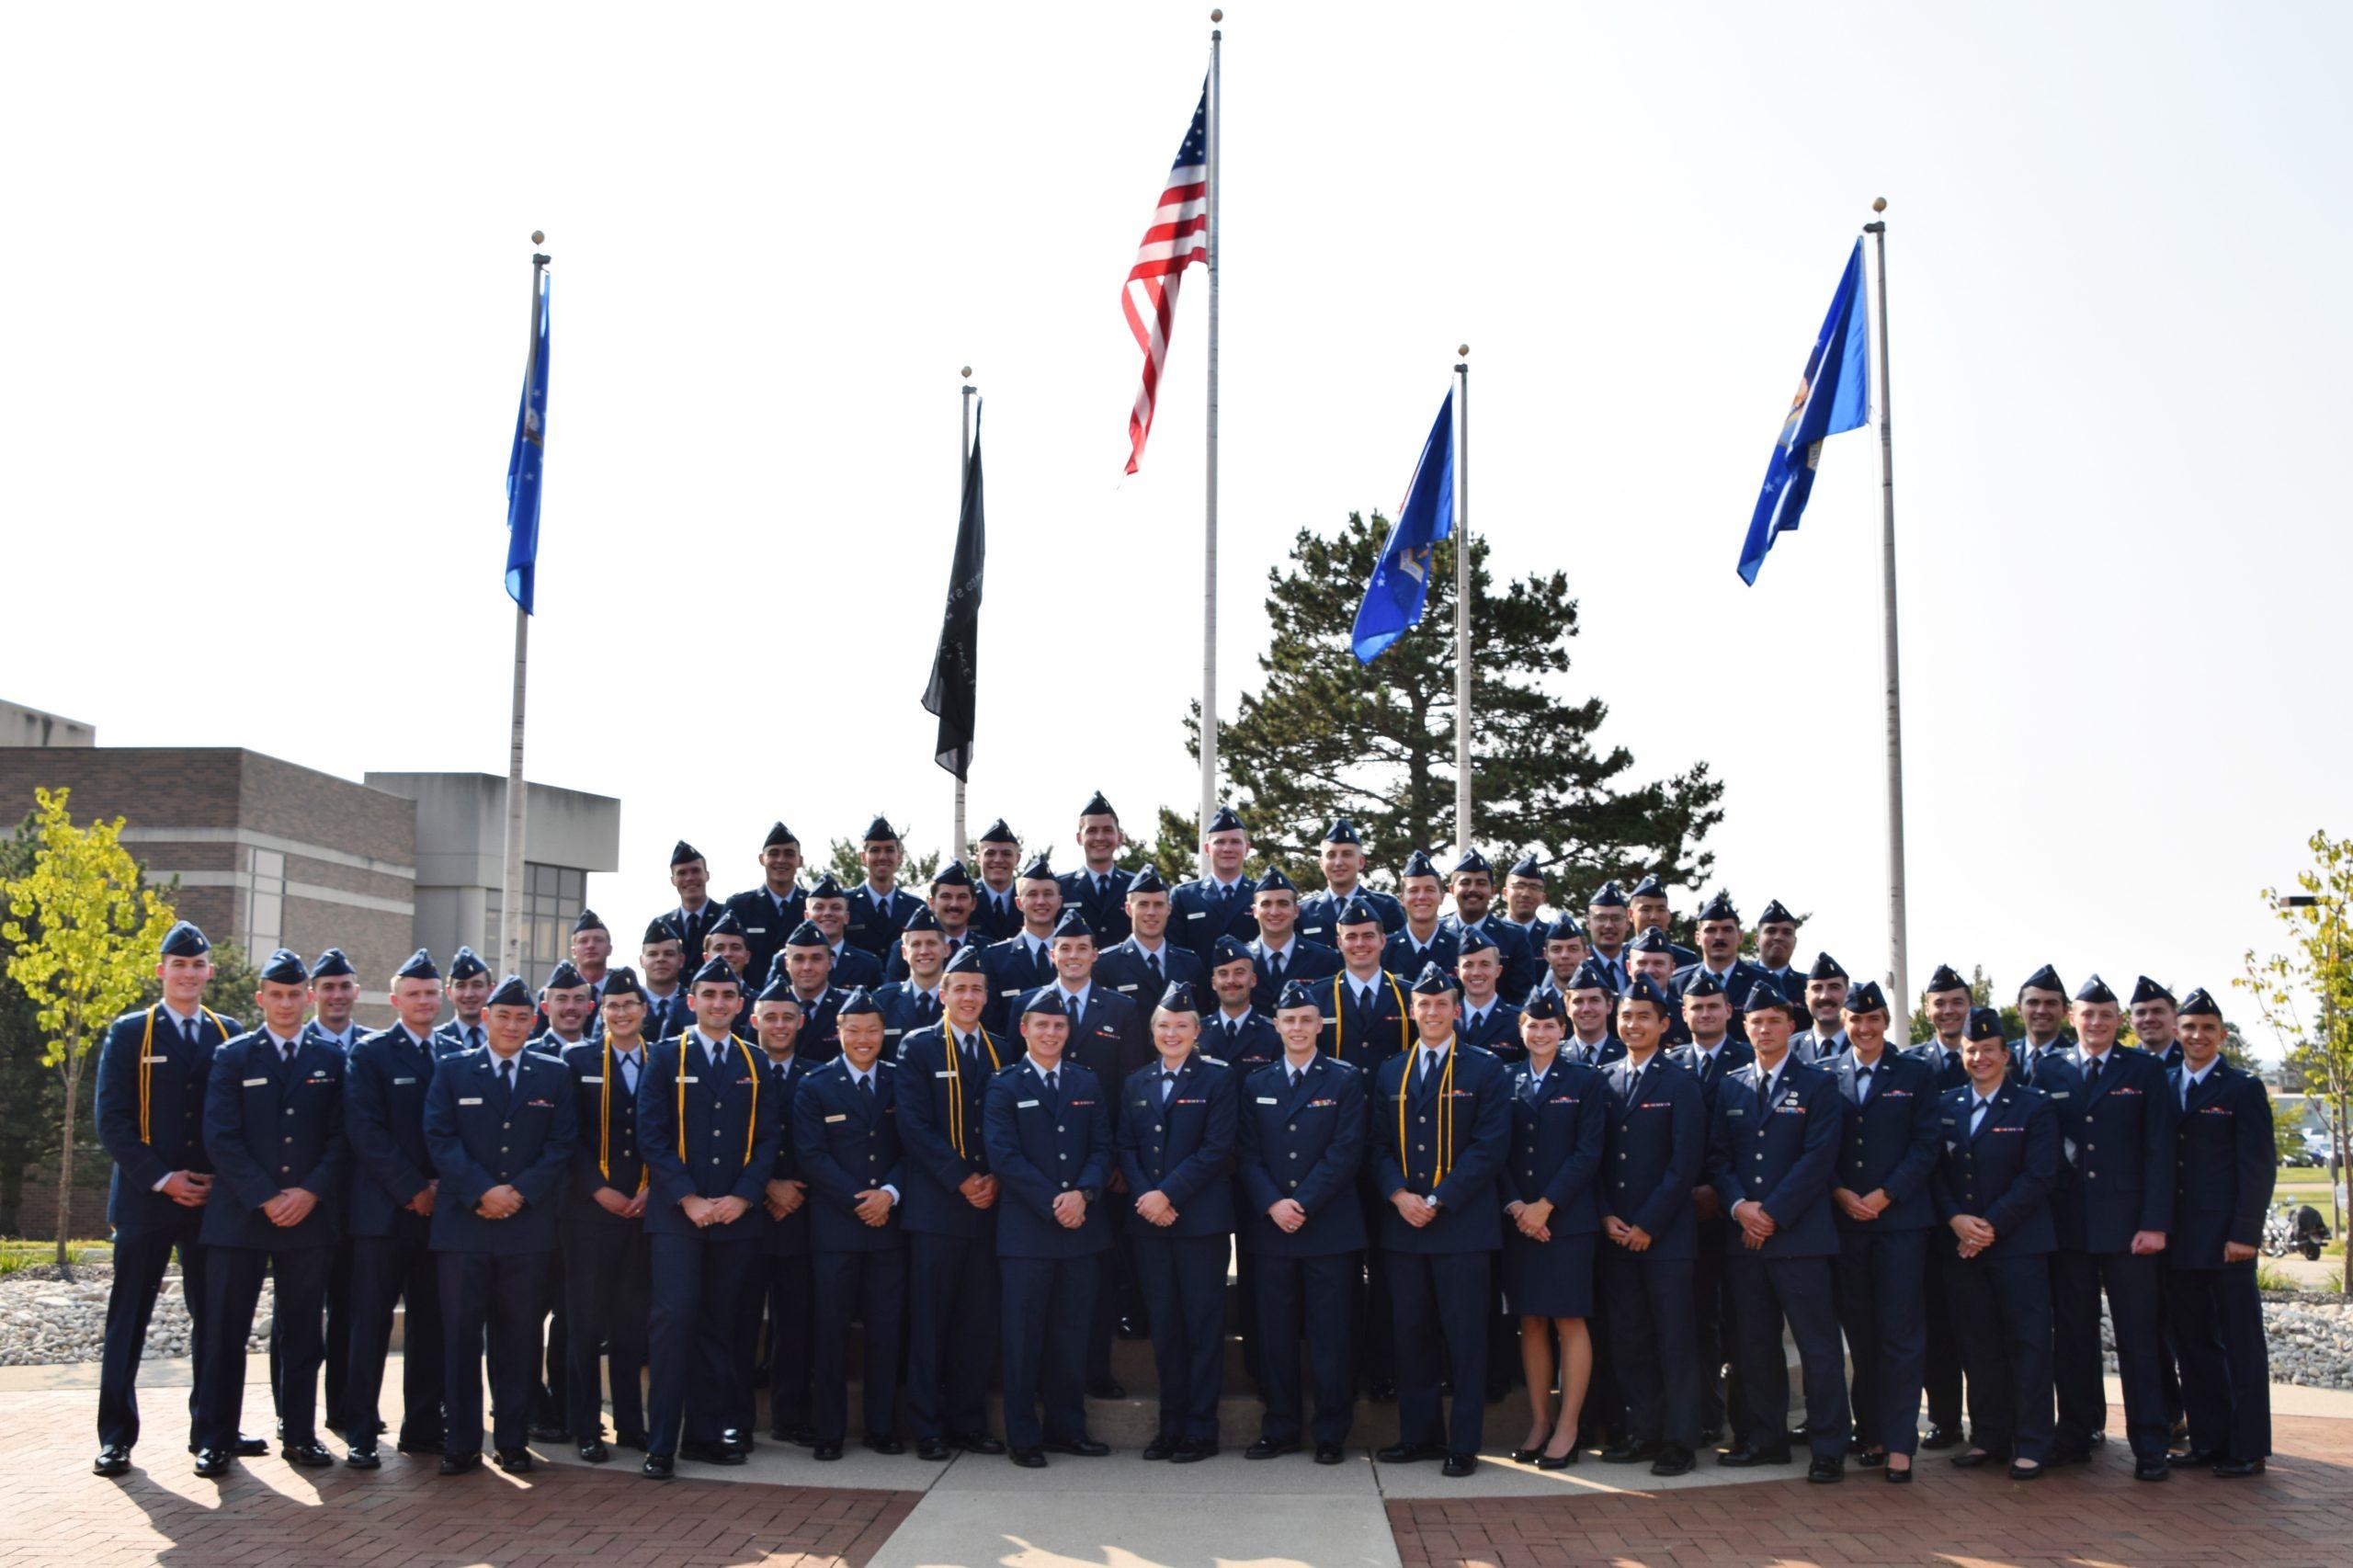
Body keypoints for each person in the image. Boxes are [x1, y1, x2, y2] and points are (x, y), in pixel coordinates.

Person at [92, 919, 245, 1479]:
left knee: (216, 1320)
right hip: (145, 1201)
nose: (188, 974)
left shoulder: (228, 1033)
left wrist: (216, 1183)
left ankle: (211, 1433)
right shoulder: (131, 1032)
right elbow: (111, 1122)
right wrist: (163, 1179)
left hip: (211, 1204)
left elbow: (238, 1122)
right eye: (178, 965)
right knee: (128, 1320)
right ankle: (115, 1438)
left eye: (197, 965)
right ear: (161, 971)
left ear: (210, 971)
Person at [190, 948, 347, 1479]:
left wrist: (308, 1193)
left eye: (294, 995)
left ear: (308, 999)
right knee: (224, 1333)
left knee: (303, 1334)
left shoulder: (331, 1058)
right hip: (240, 1218)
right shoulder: (232, 1056)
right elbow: (221, 1136)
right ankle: (215, 1438)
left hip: (308, 1219)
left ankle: (300, 1435)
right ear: (261, 999)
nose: (285, 1004)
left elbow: (341, 1138)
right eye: (275, 995)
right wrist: (265, 1196)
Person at [421, 972, 576, 1476]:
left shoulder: (553, 1074)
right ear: (485, 1018)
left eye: (521, 1017)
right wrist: (481, 1192)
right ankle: (462, 1441)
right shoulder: (451, 1070)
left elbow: (561, 1144)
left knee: (519, 1339)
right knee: (460, 1338)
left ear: (535, 1022)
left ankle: (512, 1440)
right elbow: (439, 1138)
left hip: (525, 1229)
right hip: (463, 1228)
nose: (512, 1025)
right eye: (502, 1015)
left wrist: (519, 1193)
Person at [636, 957, 783, 1479]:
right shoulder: (665, 1056)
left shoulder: (754, 1060)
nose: (719, 1004)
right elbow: (650, 1135)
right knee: (674, 1324)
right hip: (679, 1219)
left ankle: (705, 1435)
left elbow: (768, 1139)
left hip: (736, 1219)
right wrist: (687, 1198)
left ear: (742, 1006)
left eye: (728, 996)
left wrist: (743, 1197)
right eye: (709, 995)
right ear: (691, 1001)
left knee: (722, 1328)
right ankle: (661, 1443)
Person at [1370, 963, 1511, 1479]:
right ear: (1413, 1012)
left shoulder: (1484, 1068)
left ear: (1456, 1010)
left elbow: (1491, 1146)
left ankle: (1464, 1443)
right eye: (1423, 1005)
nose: (1431, 1012)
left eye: (1440, 1004)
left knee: (1466, 1337)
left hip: (1462, 1226)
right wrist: (1399, 1194)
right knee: (1412, 1334)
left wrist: (1439, 1198)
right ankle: (1418, 1435)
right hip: (1405, 1225)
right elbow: (1378, 1145)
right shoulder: (1392, 1070)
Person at [1708, 976, 1850, 1483]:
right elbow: (1719, 1158)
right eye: (1756, 1022)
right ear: (1743, 1028)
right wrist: (1741, 1206)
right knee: (1755, 1345)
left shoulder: (1818, 1084)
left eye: (1773, 1021)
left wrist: (1771, 1214)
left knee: (1817, 1346)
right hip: (1745, 1238)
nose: (1764, 1029)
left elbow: (1819, 1158)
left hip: (1800, 1237)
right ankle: (1765, 1440)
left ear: (1792, 1026)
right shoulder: (1732, 1084)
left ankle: (1830, 1444)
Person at [2048, 973, 2179, 1480]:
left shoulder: (2144, 1070)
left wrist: (2155, 1224)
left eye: (2106, 1015)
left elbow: (2160, 1151)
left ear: (2118, 1021)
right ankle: (2076, 1435)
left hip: (2130, 1232)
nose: (2096, 1023)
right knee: (2074, 1339)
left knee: (2138, 1340)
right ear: (2072, 1019)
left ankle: (2151, 1444)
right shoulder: (2050, 1068)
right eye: (2087, 1014)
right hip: (2070, 1231)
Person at [1237, 980, 1368, 1464]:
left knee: (1331, 1333)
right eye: (1288, 1020)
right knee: (1275, 1336)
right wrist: (1274, 1204)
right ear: (1276, 1026)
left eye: (1306, 1020)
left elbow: (1345, 1151)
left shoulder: (1344, 1079)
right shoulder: (1256, 1083)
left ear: (1320, 1025)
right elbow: (1247, 1154)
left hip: (1328, 1227)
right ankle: (1281, 1427)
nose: (1297, 1027)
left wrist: (1303, 1203)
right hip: (1272, 1229)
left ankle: (1331, 1431)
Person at [983, 991, 1115, 1466]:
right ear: (1024, 1030)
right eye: (1041, 1026)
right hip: (1027, 1234)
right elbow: (1004, 1156)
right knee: (1023, 1336)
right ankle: (1024, 1435)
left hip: (1081, 1228)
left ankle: (1067, 1428)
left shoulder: (1086, 1081)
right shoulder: (1004, 1084)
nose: (1050, 1034)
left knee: (1072, 1334)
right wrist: (1052, 1201)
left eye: (1059, 1027)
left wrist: (1082, 1195)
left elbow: (1103, 1147)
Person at [1934, 1006, 2061, 1481]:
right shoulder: (1945, 1106)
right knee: (1977, 1345)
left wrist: (1986, 1227)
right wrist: (1955, 1219)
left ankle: (2031, 1442)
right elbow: (1935, 1172)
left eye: (1989, 1050)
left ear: (2007, 1054)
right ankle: (1989, 1436)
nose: (1980, 1058)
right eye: (1971, 1050)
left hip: (2018, 1246)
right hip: (1961, 1247)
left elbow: (2040, 1175)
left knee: (2027, 1345)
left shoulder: (2035, 1106)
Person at [892, 945, 1008, 1460]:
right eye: (958, 988)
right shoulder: (917, 1048)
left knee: (976, 1323)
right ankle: (928, 1425)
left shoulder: (1002, 1049)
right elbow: (913, 1127)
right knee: (929, 1324)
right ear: (942, 994)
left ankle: (968, 1421)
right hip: (937, 1209)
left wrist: (997, 1179)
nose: (968, 997)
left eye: (976, 989)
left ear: (987, 997)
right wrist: (962, 1179)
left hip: (989, 1209)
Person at [1117, 983, 1239, 1462]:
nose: (1172, 1033)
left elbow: (1216, 1149)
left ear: (1197, 1031)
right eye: (1163, 1026)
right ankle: (1171, 1426)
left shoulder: (1218, 1079)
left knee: (1203, 1328)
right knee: (1165, 1327)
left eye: (1181, 1026)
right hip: (1150, 1224)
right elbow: (1125, 1147)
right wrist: (1148, 1197)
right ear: (1152, 1032)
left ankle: (1200, 1430)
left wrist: (1167, 1193)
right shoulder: (1137, 1083)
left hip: (1199, 1224)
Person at [1826, 978, 1941, 1481]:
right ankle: (1870, 1431)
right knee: (1862, 1335)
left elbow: (1926, 1144)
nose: (1865, 1028)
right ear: (1844, 1023)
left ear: (1885, 1023)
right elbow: (1815, 1145)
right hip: (1846, 1223)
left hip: (1899, 1224)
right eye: (1856, 1020)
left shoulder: (1915, 1073)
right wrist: (1838, 1191)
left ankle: (1900, 1442)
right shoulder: (1824, 1075)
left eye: (1874, 1019)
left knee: (1900, 1335)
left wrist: (1886, 1194)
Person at [339, 949, 448, 1469]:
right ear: (394, 999)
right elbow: (366, 1132)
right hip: (383, 1215)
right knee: (371, 1325)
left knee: (431, 1324)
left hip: (440, 1215)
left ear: (442, 996)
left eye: (431, 993)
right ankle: (360, 1428)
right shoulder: (370, 1053)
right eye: (414, 993)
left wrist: (440, 1188)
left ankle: (423, 1426)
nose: (424, 1001)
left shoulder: (455, 1053)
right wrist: (413, 1189)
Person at [1597, 974, 1706, 1476]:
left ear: (1665, 1024)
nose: (1633, 1024)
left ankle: (1680, 1440)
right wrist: (1607, 1215)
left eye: (1644, 1016)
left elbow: (1684, 1165)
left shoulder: (1681, 1083)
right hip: (1617, 1234)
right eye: (1626, 1016)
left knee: (1674, 1340)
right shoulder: (1605, 1078)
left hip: (1665, 1238)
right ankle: (1643, 1431)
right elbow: (1593, 1156)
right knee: (1630, 1337)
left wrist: (1647, 1224)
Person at [793, 988, 909, 1460]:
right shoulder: (815, 1085)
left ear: (885, 1034)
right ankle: (829, 1431)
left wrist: (889, 1194)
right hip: (836, 1229)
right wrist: (859, 1199)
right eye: (853, 1030)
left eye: (872, 1031)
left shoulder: (903, 1082)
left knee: (886, 1331)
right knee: (831, 1331)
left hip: (889, 1226)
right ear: (837, 1032)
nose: (863, 1039)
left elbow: (914, 1144)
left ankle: (881, 1427)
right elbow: (812, 1155)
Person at [2164, 988, 2273, 1479]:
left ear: (2223, 1035)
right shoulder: (2164, 1083)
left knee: (2241, 1344)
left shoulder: (2242, 1088)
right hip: (2180, 1240)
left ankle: (2248, 1447)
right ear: (2176, 1032)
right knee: (2193, 1343)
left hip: (2228, 1240)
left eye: (2208, 1028)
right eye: (2189, 1027)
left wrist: (2245, 1231)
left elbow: (2258, 1167)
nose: (2197, 1036)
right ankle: (2208, 1441)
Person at [1499, 991, 1605, 1470]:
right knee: (1531, 1320)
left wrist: (1546, 1206)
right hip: (1520, 1221)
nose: (1540, 1034)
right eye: (1531, 1026)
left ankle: (1568, 1426)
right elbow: (1494, 1149)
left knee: (1568, 1319)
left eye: (1549, 1026)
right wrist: (1520, 1206)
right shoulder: (1506, 1080)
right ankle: (1540, 1421)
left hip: (1567, 1221)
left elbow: (1588, 1152)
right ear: (1521, 1030)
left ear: (1563, 1030)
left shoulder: (1586, 1081)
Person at [559, 968, 657, 1462]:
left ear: (644, 1010)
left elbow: (669, 1132)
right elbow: (565, 1136)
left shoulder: (660, 1059)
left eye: (630, 1005)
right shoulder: (574, 1059)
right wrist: (597, 1190)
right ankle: (585, 1426)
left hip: (644, 1211)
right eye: (613, 1006)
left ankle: (630, 1423)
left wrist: (652, 1190)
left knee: (630, 1322)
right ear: (602, 1011)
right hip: (589, 1212)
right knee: (585, 1320)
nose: (622, 1013)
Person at [1669, 970, 1752, 1446]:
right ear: (1683, 1015)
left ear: (1728, 1011)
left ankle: (1745, 1424)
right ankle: (1705, 1414)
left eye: (1712, 1006)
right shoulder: (1672, 1063)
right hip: (1682, 1215)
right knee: (1696, 1319)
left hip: (1734, 1213)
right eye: (1696, 1008)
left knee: (1741, 1324)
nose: (1704, 1014)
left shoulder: (1747, 1060)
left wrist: (1721, 1194)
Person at [745, 981, 816, 1448]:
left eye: (787, 1017)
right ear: (754, 1021)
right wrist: (766, 1184)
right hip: (747, 1213)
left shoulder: (817, 1074)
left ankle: (789, 1416)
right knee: (740, 1319)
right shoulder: (736, 1068)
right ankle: (736, 1416)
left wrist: (792, 1189)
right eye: (770, 1017)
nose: (778, 1026)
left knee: (795, 1323)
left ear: (801, 1022)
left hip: (800, 1213)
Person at [1910, 962, 1975, 1449]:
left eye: (1957, 1001)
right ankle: (1946, 1420)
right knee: (1934, 1327)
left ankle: (1999, 1418)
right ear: (1926, 1010)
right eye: (1940, 1003)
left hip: (1986, 1218)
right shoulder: (1912, 1065)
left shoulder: (1995, 1056)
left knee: (1984, 1325)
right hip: (1929, 1218)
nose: (1948, 1010)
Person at [1093, 865, 1209, 1008]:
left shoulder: (1190, 964)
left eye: (1159, 904)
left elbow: (1201, 1018)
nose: (1151, 912)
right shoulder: (1106, 965)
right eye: (1143, 904)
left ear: (1169, 909)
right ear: (1128, 909)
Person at [980, 850, 1064, 1032]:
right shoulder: (995, 958)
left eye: (1048, 894)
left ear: (1059, 901)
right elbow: (991, 1022)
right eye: (1032, 894)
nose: (1040, 901)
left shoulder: (1076, 954)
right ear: (1019, 903)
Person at [1441, 851, 1540, 1001]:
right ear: (1451, 890)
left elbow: (1522, 997)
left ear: (1493, 891)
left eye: (1481, 883)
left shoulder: (1514, 937)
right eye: (1465, 882)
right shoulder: (1438, 932)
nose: (1473, 889)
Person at [1296, 816, 1405, 949]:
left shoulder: (1386, 907)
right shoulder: (1303, 913)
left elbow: (1397, 954)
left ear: (1361, 862)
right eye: (1331, 855)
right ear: (1321, 863)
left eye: (1346, 854)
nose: (1338, 862)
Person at [1170, 805, 1260, 964]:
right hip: (1199, 987)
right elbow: (1175, 954)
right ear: (1207, 848)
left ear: (1247, 848)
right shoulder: (1183, 897)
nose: (1227, 848)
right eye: (1220, 842)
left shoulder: (1261, 895)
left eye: (1235, 842)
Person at [1247, 867, 1342, 1011]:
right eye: (1266, 904)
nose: (1274, 912)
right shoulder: (1241, 960)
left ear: (1296, 911)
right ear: (1254, 911)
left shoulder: (1325, 959)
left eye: (1283, 904)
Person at [725, 821, 808, 985]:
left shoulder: (813, 905)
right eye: (774, 853)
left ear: (800, 861)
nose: (781, 860)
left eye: (789, 854)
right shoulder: (739, 907)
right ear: (762, 859)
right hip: (752, 1001)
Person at [1058, 790, 1135, 946]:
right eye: (1092, 830)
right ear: (1079, 838)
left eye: (1107, 830)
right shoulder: (1060, 887)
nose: (1100, 837)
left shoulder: (1135, 886)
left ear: (1119, 837)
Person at [874, 903, 950, 1057]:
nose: (924, 951)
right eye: (916, 944)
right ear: (904, 952)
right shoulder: (882, 1001)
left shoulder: (959, 998)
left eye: (931, 943)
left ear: (946, 950)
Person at [773, 920, 848, 1062]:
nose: (807, 967)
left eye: (816, 958)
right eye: (799, 959)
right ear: (787, 964)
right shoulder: (769, 1006)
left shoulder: (848, 1006)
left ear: (830, 962)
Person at [844, 815, 916, 958]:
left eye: (889, 850)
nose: (883, 857)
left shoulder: (915, 908)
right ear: (863, 857)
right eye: (875, 850)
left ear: (899, 856)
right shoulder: (845, 904)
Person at [1382, 850, 1458, 978]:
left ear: (1442, 897)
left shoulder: (1459, 948)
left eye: (1429, 890)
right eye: (1414, 890)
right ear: (1402, 899)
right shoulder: (1383, 951)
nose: (1422, 897)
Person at [1453, 928, 1523, 1065]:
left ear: (1498, 971)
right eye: (1468, 965)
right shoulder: (1445, 1019)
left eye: (1484, 964)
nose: (1476, 972)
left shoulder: (1519, 1022)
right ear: (1457, 972)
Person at [804, 873, 886, 989]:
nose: (827, 913)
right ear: (807, 917)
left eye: (836, 907)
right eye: (819, 907)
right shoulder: (787, 962)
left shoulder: (868, 965)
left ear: (847, 917)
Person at [433, 946, 494, 1059]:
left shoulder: (506, 1038)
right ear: (449, 992)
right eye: (461, 986)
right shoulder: (434, 1043)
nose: (469, 994)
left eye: (477, 985)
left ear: (491, 990)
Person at [666, 840, 721, 965]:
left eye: (695, 870)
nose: (689, 878)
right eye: (682, 873)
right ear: (673, 880)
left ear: (707, 875)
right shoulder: (665, 925)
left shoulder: (724, 916)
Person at [971, 818, 1025, 942]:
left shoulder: (1029, 898)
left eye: (1006, 854)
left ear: (1017, 858)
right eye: (990, 853)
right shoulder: (965, 899)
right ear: (979, 859)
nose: (998, 860)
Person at [638, 917, 692, 1041]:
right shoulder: (629, 1003)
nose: (660, 959)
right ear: (641, 961)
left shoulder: (696, 1004)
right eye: (652, 954)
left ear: (681, 960)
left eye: (669, 954)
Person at [1626, 875, 1698, 967]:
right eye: (1646, 909)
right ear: (1630, 915)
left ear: (1669, 916)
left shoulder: (1687, 961)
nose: (1654, 917)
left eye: (1661, 910)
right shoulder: (1618, 957)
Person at [1792, 953, 1851, 1062]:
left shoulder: (1868, 1047)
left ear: (1848, 994)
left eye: (1834, 987)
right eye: (1817, 988)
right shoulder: (1787, 1050)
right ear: (1806, 997)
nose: (1825, 996)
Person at [1582, 881, 1632, 991]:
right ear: (1588, 923)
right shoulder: (1578, 965)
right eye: (1601, 918)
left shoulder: (1637, 965)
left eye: (1616, 918)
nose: (1609, 925)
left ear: (1628, 923)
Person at [2131, 976, 2186, 1071]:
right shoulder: (2121, 1065)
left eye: (2157, 1011)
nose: (2149, 1019)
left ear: (2176, 1018)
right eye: (2141, 1013)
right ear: (2131, 1022)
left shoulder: (2193, 1062)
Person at [1753, 900, 1803, 1000]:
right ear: (1757, 940)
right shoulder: (1735, 981)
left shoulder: (1808, 987)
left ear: (1795, 942)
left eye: (1787, 932)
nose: (1779, 937)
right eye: (1771, 931)